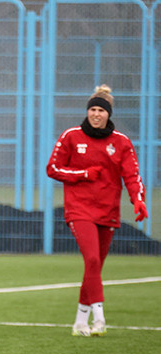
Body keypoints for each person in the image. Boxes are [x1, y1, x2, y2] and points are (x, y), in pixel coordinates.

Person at [46, 84, 146, 337]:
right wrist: (83, 174)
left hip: (108, 211)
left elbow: (132, 175)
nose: (96, 114)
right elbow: (53, 168)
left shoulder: (121, 142)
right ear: (87, 111)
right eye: (93, 109)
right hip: (79, 210)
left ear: (108, 114)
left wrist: (138, 200)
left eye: (101, 110)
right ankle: (99, 317)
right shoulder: (71, 136)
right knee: (91, 260)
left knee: (94, 268)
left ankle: (80, 321)